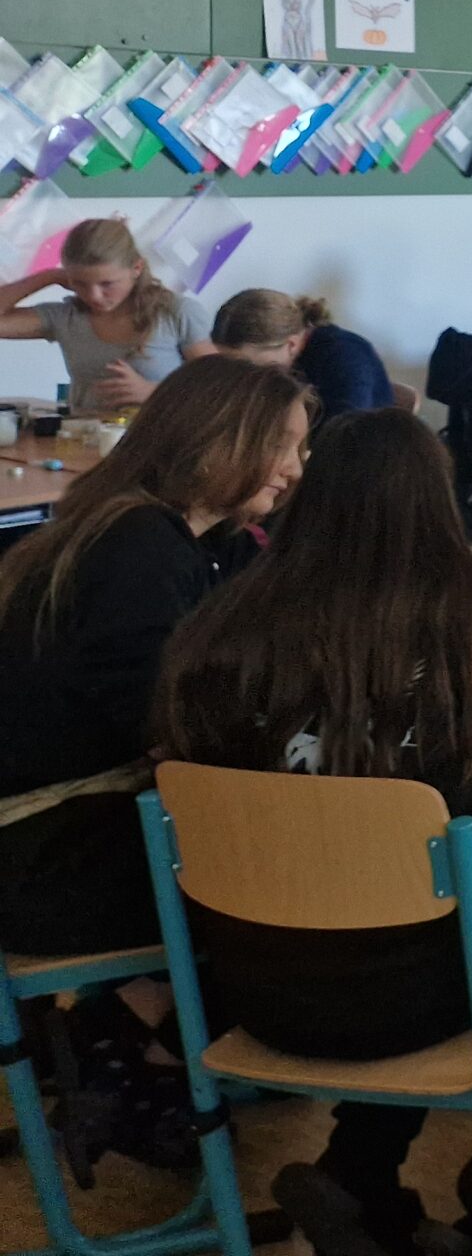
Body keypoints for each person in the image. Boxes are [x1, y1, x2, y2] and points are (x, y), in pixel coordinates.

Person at [155, 410, 472, 1256]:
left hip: (253, 985)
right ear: (440, 500)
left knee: (394, 916)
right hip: (434, 981)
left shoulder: (222, 621)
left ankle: (359, 1170)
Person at [0, 358, 308, 955]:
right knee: (296, 859)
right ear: (211, 441)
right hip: (38, 848)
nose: (294, 469)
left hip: (63, 819)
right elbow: (158, 716)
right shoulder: (139, 544)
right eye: (279, 445)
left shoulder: (174, 533)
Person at [0, 217, 215, 410]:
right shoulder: (65, 317)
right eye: (80, 283)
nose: (94, 296)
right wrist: (48, 277)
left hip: (159, 438)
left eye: (107, 284)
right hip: (83, 437)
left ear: (136, 268)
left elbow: (221, 388)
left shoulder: (176, 312)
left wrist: (152, 392)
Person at [211, 288, 394, 425]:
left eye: (246, 365)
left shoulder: (347, 357)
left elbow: (344, 438)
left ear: (291, 345)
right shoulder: (280, 363)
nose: (237, 377)